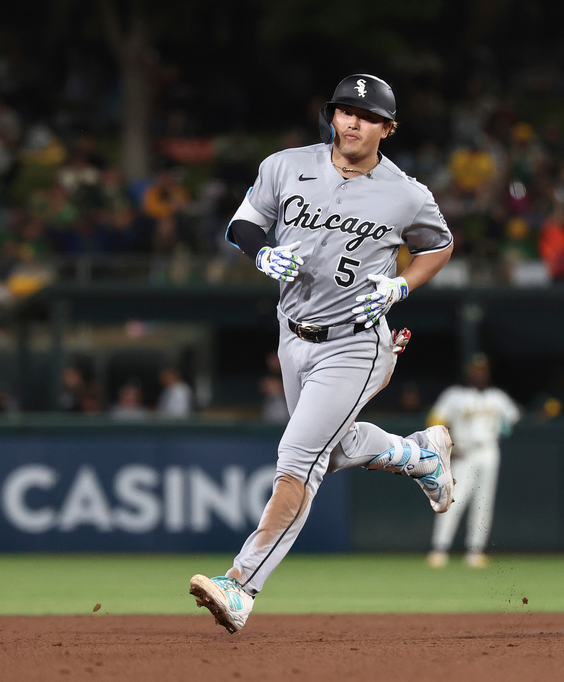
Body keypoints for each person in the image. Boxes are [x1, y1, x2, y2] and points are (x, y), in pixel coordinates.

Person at [189, 73, 456, 634]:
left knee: (298, 460)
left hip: (356, 342)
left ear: (387, 128)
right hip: (294, 337)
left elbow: (440, 244)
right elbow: (242, 223)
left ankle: (242, 585)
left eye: (367, 116)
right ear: (331, 116)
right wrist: (260, 254)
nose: (353, 122)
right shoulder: (284, 165)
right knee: (329, 451)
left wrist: (402, 285)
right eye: (344, 111)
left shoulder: (405, 192)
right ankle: (419, 456)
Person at [425, 354, 521, 569]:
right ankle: (439, 549)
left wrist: (502, 429)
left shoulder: (498, 397)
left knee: (484, 503)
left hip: (488, 451)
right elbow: (435, 419)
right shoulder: (454, 395)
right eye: (475, 370)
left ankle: (475, 551)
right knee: (452, 500)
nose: (479, 374)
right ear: (469, 372)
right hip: (464, 452)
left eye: (483, 370)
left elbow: (512, 419)